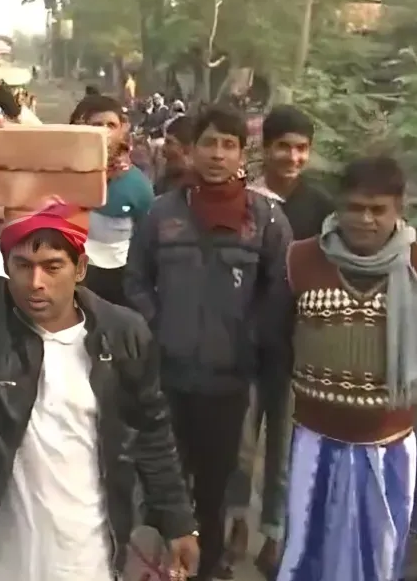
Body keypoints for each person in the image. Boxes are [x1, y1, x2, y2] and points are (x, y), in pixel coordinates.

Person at [0, 114, 200, 581]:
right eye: (23, 265)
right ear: (5, 264)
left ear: (81, 268)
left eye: (53, 266)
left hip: (78, 543)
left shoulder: (122, 333)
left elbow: (151, 431)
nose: (35, 282)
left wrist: (178, 523)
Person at [124, 106, 293, 581]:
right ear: (193, 149)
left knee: (216, 488)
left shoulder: (266, 220)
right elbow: (136, 280)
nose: (217, 154)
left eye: (228, 145)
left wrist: (249, 336)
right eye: (209, 143)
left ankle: (209, 566)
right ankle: (162, 567)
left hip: (231, 382)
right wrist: (158, 327)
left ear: (242, 153)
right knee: (166, 484)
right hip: (168, 376)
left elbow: (280, 291)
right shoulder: (162, 213)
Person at [276, 155, 417, 581]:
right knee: (307, 547)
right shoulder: (301, 259)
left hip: (391, 445)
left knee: (379, 553)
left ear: (399, 208)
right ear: (338, 207)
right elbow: (273, 337)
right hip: (314, 439)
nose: (364, 219)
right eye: (354, 208)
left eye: (377, 209)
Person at [222, 104, 335, 579]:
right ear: (264, 148)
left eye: (301, 148)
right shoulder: (241, 199)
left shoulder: (322, 207)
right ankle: (236, 525)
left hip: (298, 347)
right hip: (240, 343)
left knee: (285, 450)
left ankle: (275, 533)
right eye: (283, 146)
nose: (292, 156)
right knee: (240, 445)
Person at [74, 94, 154, 306]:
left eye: (111, 125)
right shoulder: (66, 176)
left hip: (119, 279)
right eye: (97, 125)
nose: (104, 132)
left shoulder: (138, 186)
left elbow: (146, 239)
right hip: (73, 274)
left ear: (122, 129)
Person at [155, 115, 194, 195]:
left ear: (188, 148)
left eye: (169, 143)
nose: (163, 148)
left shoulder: (200, 192)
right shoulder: (163, 183)